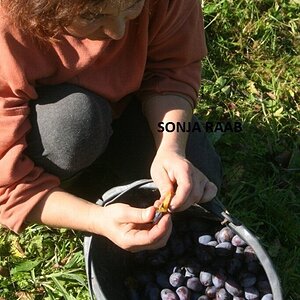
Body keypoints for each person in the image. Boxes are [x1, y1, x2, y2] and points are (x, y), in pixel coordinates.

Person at [0, 0, 222, 253]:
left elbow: (172, 70)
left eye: (134, 5)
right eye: (92, 15)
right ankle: (70, 185)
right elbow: (7, 182)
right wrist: (96, 219)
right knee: (74, 127)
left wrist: (171, 148)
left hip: (129, 103)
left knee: (198, 181)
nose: (118, 32)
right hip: (55, 120)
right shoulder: (7, 27)